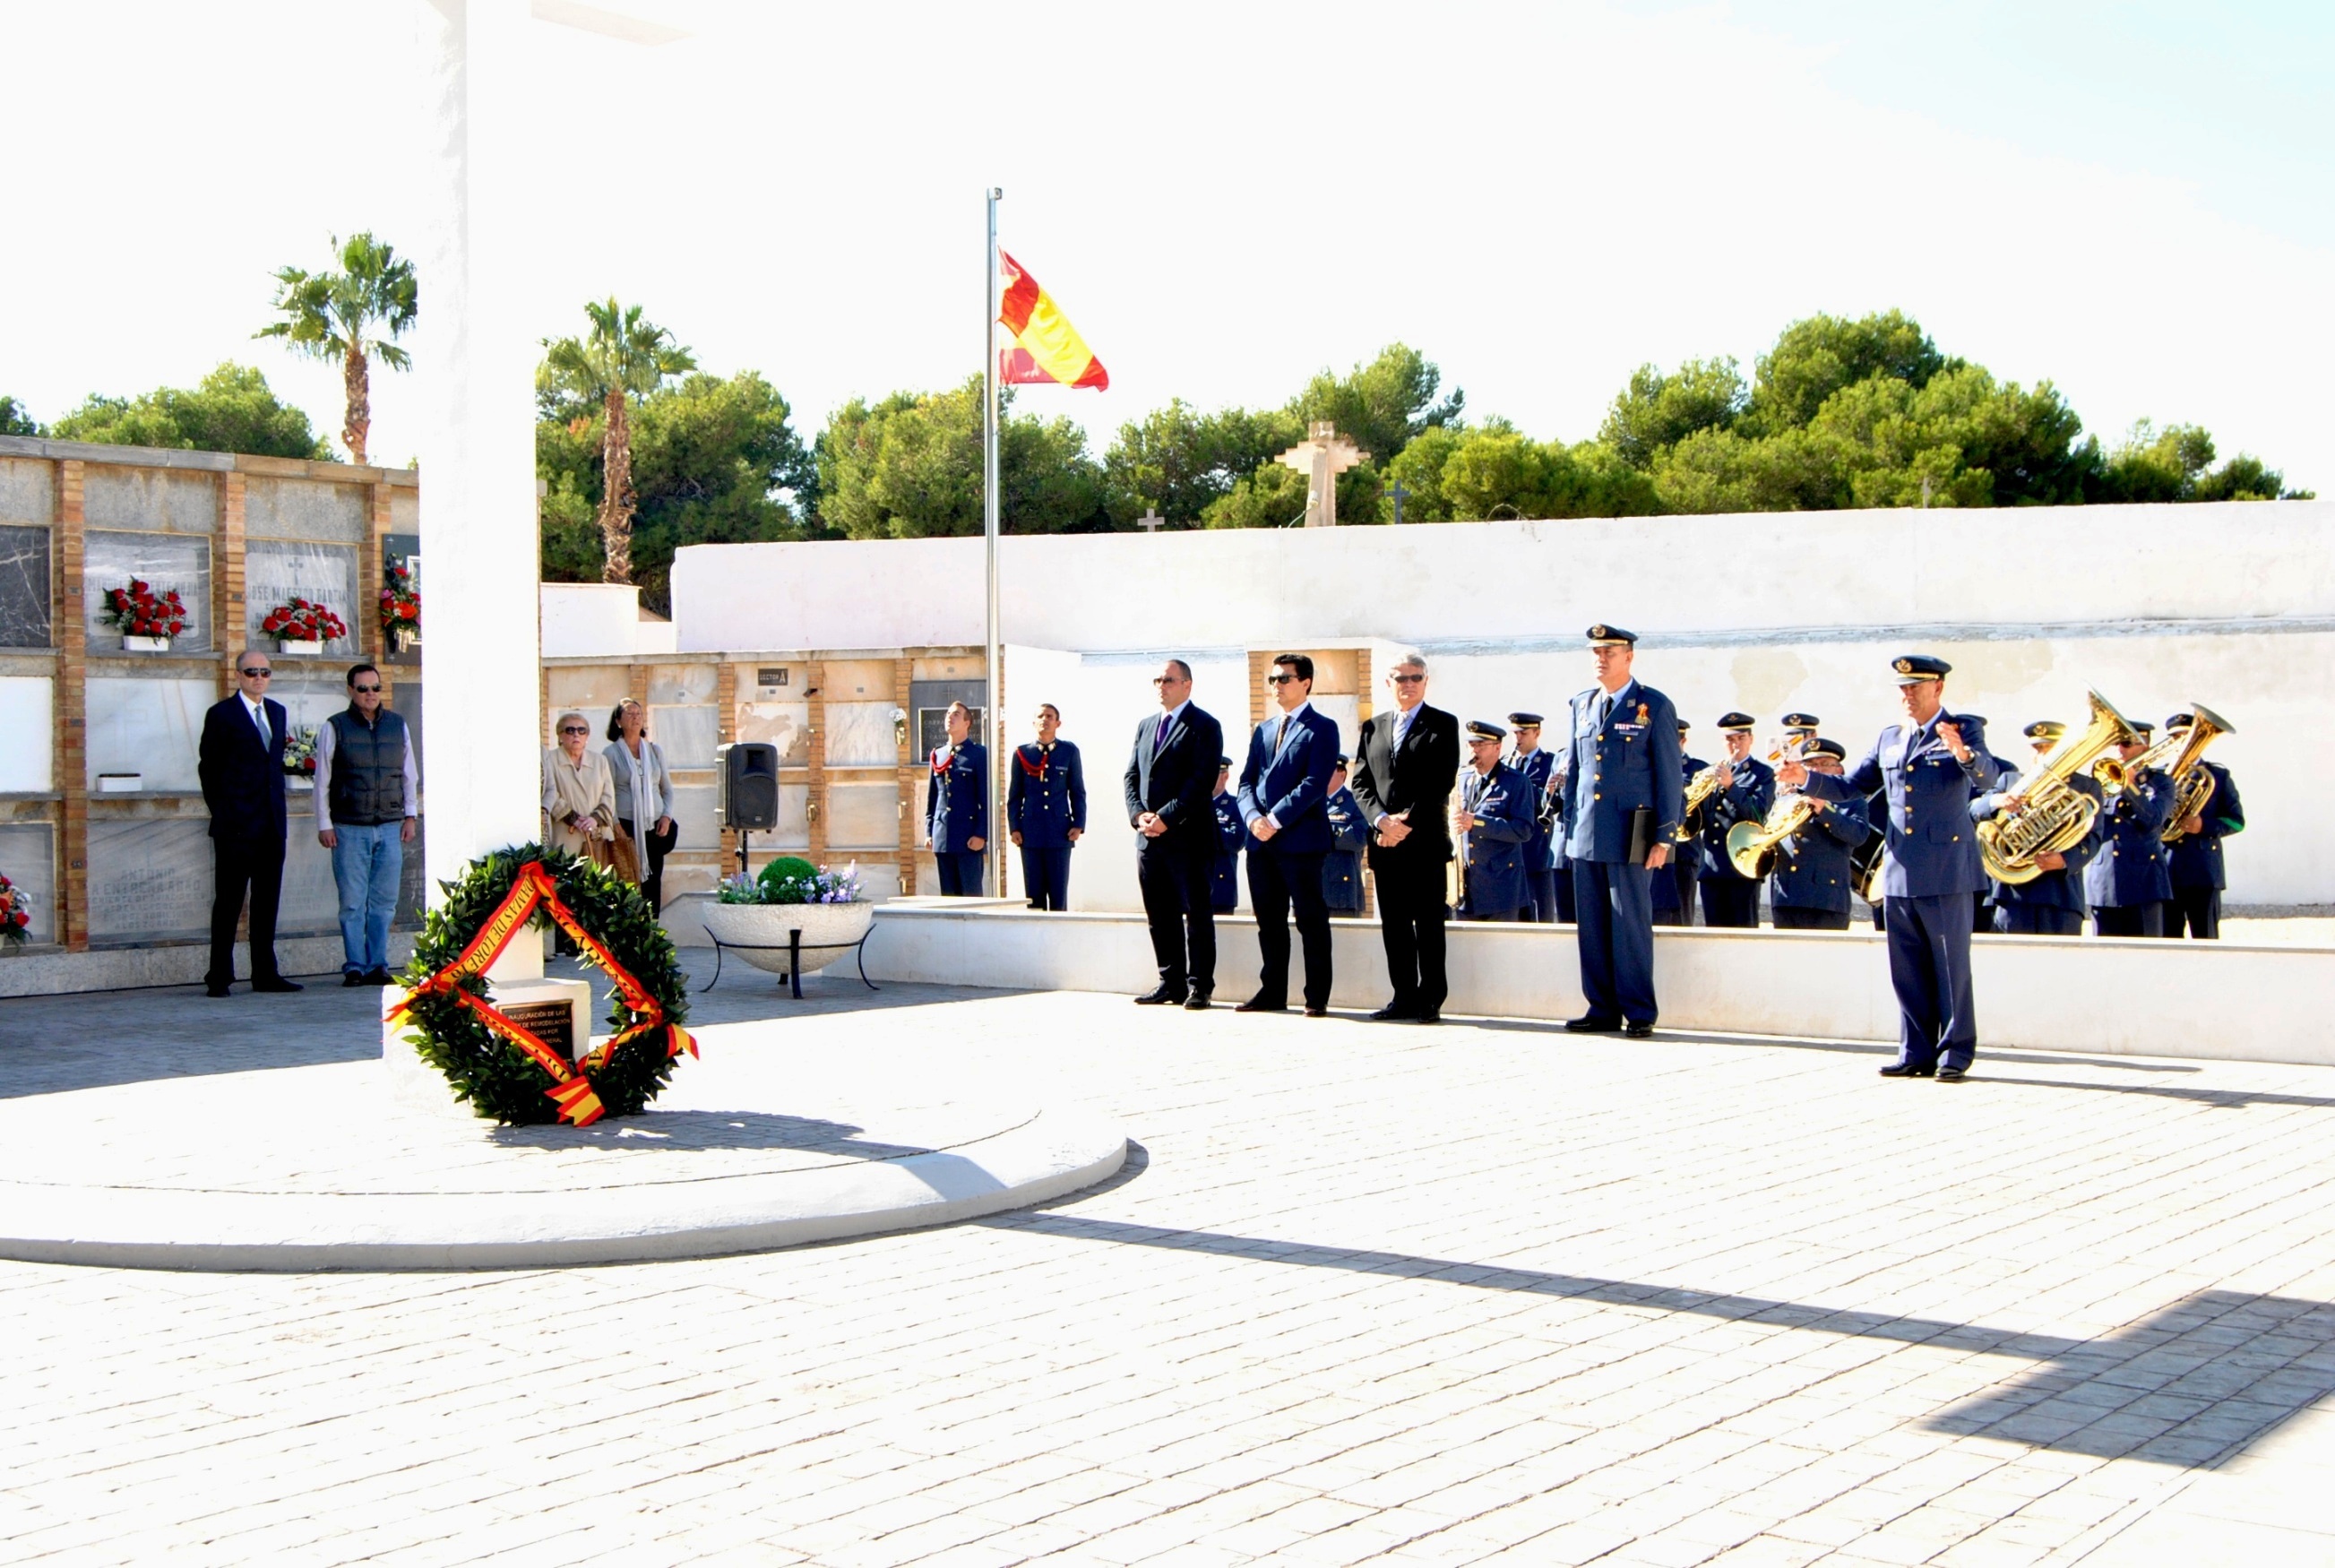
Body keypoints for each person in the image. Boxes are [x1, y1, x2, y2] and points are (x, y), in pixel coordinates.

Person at [1782, 654, 1996, 1081]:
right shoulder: (1890, 737)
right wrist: (1804, 779)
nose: (1907, 695)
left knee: (1950, 968)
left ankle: (1954, 1053)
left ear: (1938, 687)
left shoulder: (1963, 728)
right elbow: (1852, 785)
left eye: (1915, 686)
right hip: (1898, 869)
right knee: (1907, 968)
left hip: (1946, 869)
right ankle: (1915, 1051)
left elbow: (1987, 777)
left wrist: (1964, 753)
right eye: (1902, 688)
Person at [1561, 626, 1684, 1039]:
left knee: (1629, 924)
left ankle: (1639, 1010)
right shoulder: (1582, 704)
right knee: (1592, 926)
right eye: (1596, 652)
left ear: (1629, 656)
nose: (1601, 658)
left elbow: (1669, 775)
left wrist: (1664, 837)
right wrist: (1569, 827)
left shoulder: (1653, 705)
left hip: (1632, 833)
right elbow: (1576, 772)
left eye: (1609, 652)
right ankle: (1601, 1008)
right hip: (1587, 832)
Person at [1349, 652, 1460, 1023]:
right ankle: (1403, 997)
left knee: (1429, 925)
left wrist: (1402, 823)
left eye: (1415, 677)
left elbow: (1440, 781)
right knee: (1394, 926)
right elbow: (1361, 782)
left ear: (1426, 681)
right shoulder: (1373, 727)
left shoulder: (1442, 724)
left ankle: (1431, 999)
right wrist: (1382, 821)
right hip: (1384, 845)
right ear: (1388, 683)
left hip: (1424, 843)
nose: (1408, 684)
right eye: (1400, 678)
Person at [1235, 653, 1340, 1015]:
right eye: (1273, 680)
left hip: (1300, 840)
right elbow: (1246, 782)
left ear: (1305, 683)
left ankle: (1316, 996)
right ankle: (1272, 991)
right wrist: (1253, 818)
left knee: (1310, 919)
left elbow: (1314, 783)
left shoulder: (1321, 728)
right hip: (1260, 842)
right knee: (1269, 921)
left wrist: (1274, 820)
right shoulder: (1264, 729)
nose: (1277, 686)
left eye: (1284, 679)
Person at [198, 649, 300, 996]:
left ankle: (265, 973)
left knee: (267, 902)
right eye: (252, 672)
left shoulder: (277, 712)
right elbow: (209, 769)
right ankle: (219, 975)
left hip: (271, 824)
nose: (259, 678)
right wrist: (224, 812)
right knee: (228, 902)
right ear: (238, 675)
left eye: (265, 672)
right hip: (236, 827)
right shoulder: (222, 714)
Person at [1124, 659, 1225, 1007]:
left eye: (1168, 680)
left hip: (1189, 837)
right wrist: (1139, 815)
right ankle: (1171, 982)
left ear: (1187, 685)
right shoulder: (1146, 725)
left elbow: (1201, 780)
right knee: (1159, 914)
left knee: (1197, 913)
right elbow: (1132, 776)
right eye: (1157, 680)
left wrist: (1166, 817)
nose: (1161, 686)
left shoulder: (1205, 725)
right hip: (1149, 838)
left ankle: (1200, 986)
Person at [314, 662, 418, 986]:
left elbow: (408, 774)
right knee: (352, 902)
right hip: (349, 827)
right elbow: (322, 780)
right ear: (351, 691)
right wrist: (324, 823)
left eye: (375, 688)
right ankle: (355, 966)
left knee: (384, 902)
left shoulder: (397, 725)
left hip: (389, 824)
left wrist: (411, 815)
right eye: (363, 689)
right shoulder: (335, 727)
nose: (370, 694)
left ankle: (378, 965)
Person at [1977, 719, 2100, 936]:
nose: (2042, 754)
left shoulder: (2086, 787)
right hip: (2012, 895)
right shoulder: (2010, 781)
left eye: (2049, 749)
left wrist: (2064, 860)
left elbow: (2094, 837)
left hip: (2060, 892)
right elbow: (1972, 810)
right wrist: (1997, 801)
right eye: (2037, 748)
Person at [1766, 738, 1869, 931]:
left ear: (1839, 770)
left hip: (1826, 898)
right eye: (1811, 764)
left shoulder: (1852, 801)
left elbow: (1859, 836)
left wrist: (1825, 810)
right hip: (1786, 896)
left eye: (1824, 764)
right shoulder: (1786, 798)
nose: (1817, 770)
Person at [2084, 720, 2173, 937]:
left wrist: (2129, 786)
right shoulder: (2098, 782)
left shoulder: (2161, 782)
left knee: (2145, 951)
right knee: (2103, 953)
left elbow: (2154, 820)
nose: (2119, 749)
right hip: (2103, 880)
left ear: (2144, 746)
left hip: (2144, 883)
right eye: (2115, 743)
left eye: (2126, 743)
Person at [2161, 711, 2244, 939]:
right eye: (2176, 737)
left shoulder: (2218, 775)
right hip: (2167, 868)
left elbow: (2237, 821)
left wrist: (2203, 826)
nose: (2182, 741)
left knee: (2206, 938)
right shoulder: (2158, 777)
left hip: (2204, 870)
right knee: (2167, 940)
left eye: (2187, 736)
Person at [1696, 711, 1773, 928]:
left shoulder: (1763, 774)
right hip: (1712, 866)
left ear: (1751, 739)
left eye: (1741, 738)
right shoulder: (1711, 772)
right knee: (1714, 934)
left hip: (1743, 866)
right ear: (1723, 741)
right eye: (1730, 739)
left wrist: (1731, 786)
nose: (1735, 744)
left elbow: (1757, 815)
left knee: (1744, 933)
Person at [1006, 702, 1086, 911]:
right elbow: (1015, 795)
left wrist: (1078, 823)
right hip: (1030, 833)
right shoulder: (1022, 753)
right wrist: (1014, 827)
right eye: (1041, 716)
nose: (1045, 720)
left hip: (1059, 832)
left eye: (1050, 716)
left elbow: (1077, 791)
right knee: (1034, 897)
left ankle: (1059, 931)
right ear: (1034, 722)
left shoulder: (1069, 751)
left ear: (1058, 723)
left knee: (1058, 896)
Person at [1454, 719, 1535, 921]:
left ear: (1497, 747)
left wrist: (1477, 822)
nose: (1474, 751)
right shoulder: (1462, 778)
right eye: (1471, 745)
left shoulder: (1516, 781)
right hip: (1466, 888)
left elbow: (1523, 830)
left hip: (1501, 889)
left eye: (1481, 745)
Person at [604, 698, 676, 914]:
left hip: (655, 826)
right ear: (618, 721)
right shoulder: (610, 754)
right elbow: (607, 793)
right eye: (629, 713)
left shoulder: (654, 750)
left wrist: (666, 816)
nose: (635, 717)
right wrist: (615, 825)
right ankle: (631, 930)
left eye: (638, 713)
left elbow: (667, 789)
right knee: (628, 881)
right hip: (626, 826)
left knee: (653, 881)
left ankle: (652, 930)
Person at [924, 700, 988, 896]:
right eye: (948, 714)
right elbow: (933, 798)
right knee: (948, 898)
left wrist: (981, 834)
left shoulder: (978, 754)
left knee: (971, 896)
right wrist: (929, 831)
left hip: (969, 838)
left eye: (956, 714)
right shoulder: (938, 754)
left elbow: (985, 799)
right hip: (943, 837)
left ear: (967, 723)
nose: (949, 717)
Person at [542, 711, 616, 859]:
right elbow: (550, 792)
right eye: (570, 730)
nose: (576, 734)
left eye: (581, 730)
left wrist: (595, 819)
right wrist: (573, 819)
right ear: (560, 735)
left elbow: (609, 796)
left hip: (597, 836)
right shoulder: (550, 759)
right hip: (566, 834)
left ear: (587, 736)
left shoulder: (600, 761)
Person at [1509, 713, 1561, 923]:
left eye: (1523, 733)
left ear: (1537, 733)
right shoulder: (1505, 764)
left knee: (1540, 915)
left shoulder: (1550, 763)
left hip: (1536, 850)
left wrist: (1543, 792)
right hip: (1510, 853)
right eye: (1515, 733)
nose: (1518, 738)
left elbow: (1556, 805)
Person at [1653, 719, 1703, 927]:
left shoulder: (1698, 769)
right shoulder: (1652, 766)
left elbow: (1708, 816)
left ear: (1683, 742)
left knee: (1681, 919)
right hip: (1653, 852)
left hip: (1684, 853)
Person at [1323, 757, 1367, 915]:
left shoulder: (1356, 803)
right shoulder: (1309, 803)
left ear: (1342, 774)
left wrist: (1323, 830)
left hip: (1341, 894)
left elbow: (1358, 838)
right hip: (1310, 890)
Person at [1209, 758, 1244, 912]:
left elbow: (1237, 840)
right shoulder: (1193, 806)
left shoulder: (1235, 806)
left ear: (1225, 776)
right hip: (1192, 889)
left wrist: (1207, 830)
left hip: (1220, 890)